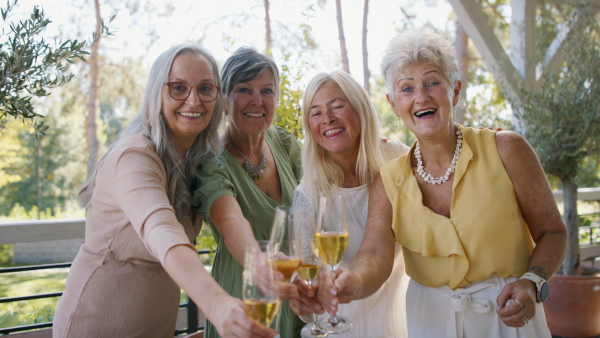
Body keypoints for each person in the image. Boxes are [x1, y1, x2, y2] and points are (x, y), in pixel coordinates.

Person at [319, 30, 568, 338]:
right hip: (430, 323)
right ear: (394, 104)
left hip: (508, 320)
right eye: (406, 88)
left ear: (456, 91)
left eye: (433, 82)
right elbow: (375, 254)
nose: (421, 96)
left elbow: (553, 232)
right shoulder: (388, 179)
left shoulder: (507, 149)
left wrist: (533, 281)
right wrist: (352, 282)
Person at [53, 44, 276, 338]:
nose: (193, 100)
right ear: (156, 93)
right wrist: (218, 306)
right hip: (95, 325)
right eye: (178, 88)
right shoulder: (135, 157)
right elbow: (162, 233)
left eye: (206, 88)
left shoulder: (195, 161)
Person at [192, 46, 304, 338]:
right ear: (224, 99)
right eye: (244, 89)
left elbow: (325, 189)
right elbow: (230, 221)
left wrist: (364, 145)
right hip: (246, 297)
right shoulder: (209, 161)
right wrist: (260, 265)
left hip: (297, 294)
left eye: (267, 90)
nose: (257, 101)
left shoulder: (284, 143)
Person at [289, 70, 410, 338]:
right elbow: (306, 297)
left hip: (406, 321)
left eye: (337, 106)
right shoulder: (309, 195)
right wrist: (308, 293)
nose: (328, 119)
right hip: (345, 327)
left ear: (361, 108)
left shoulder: (397, 156)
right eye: (316, 112)